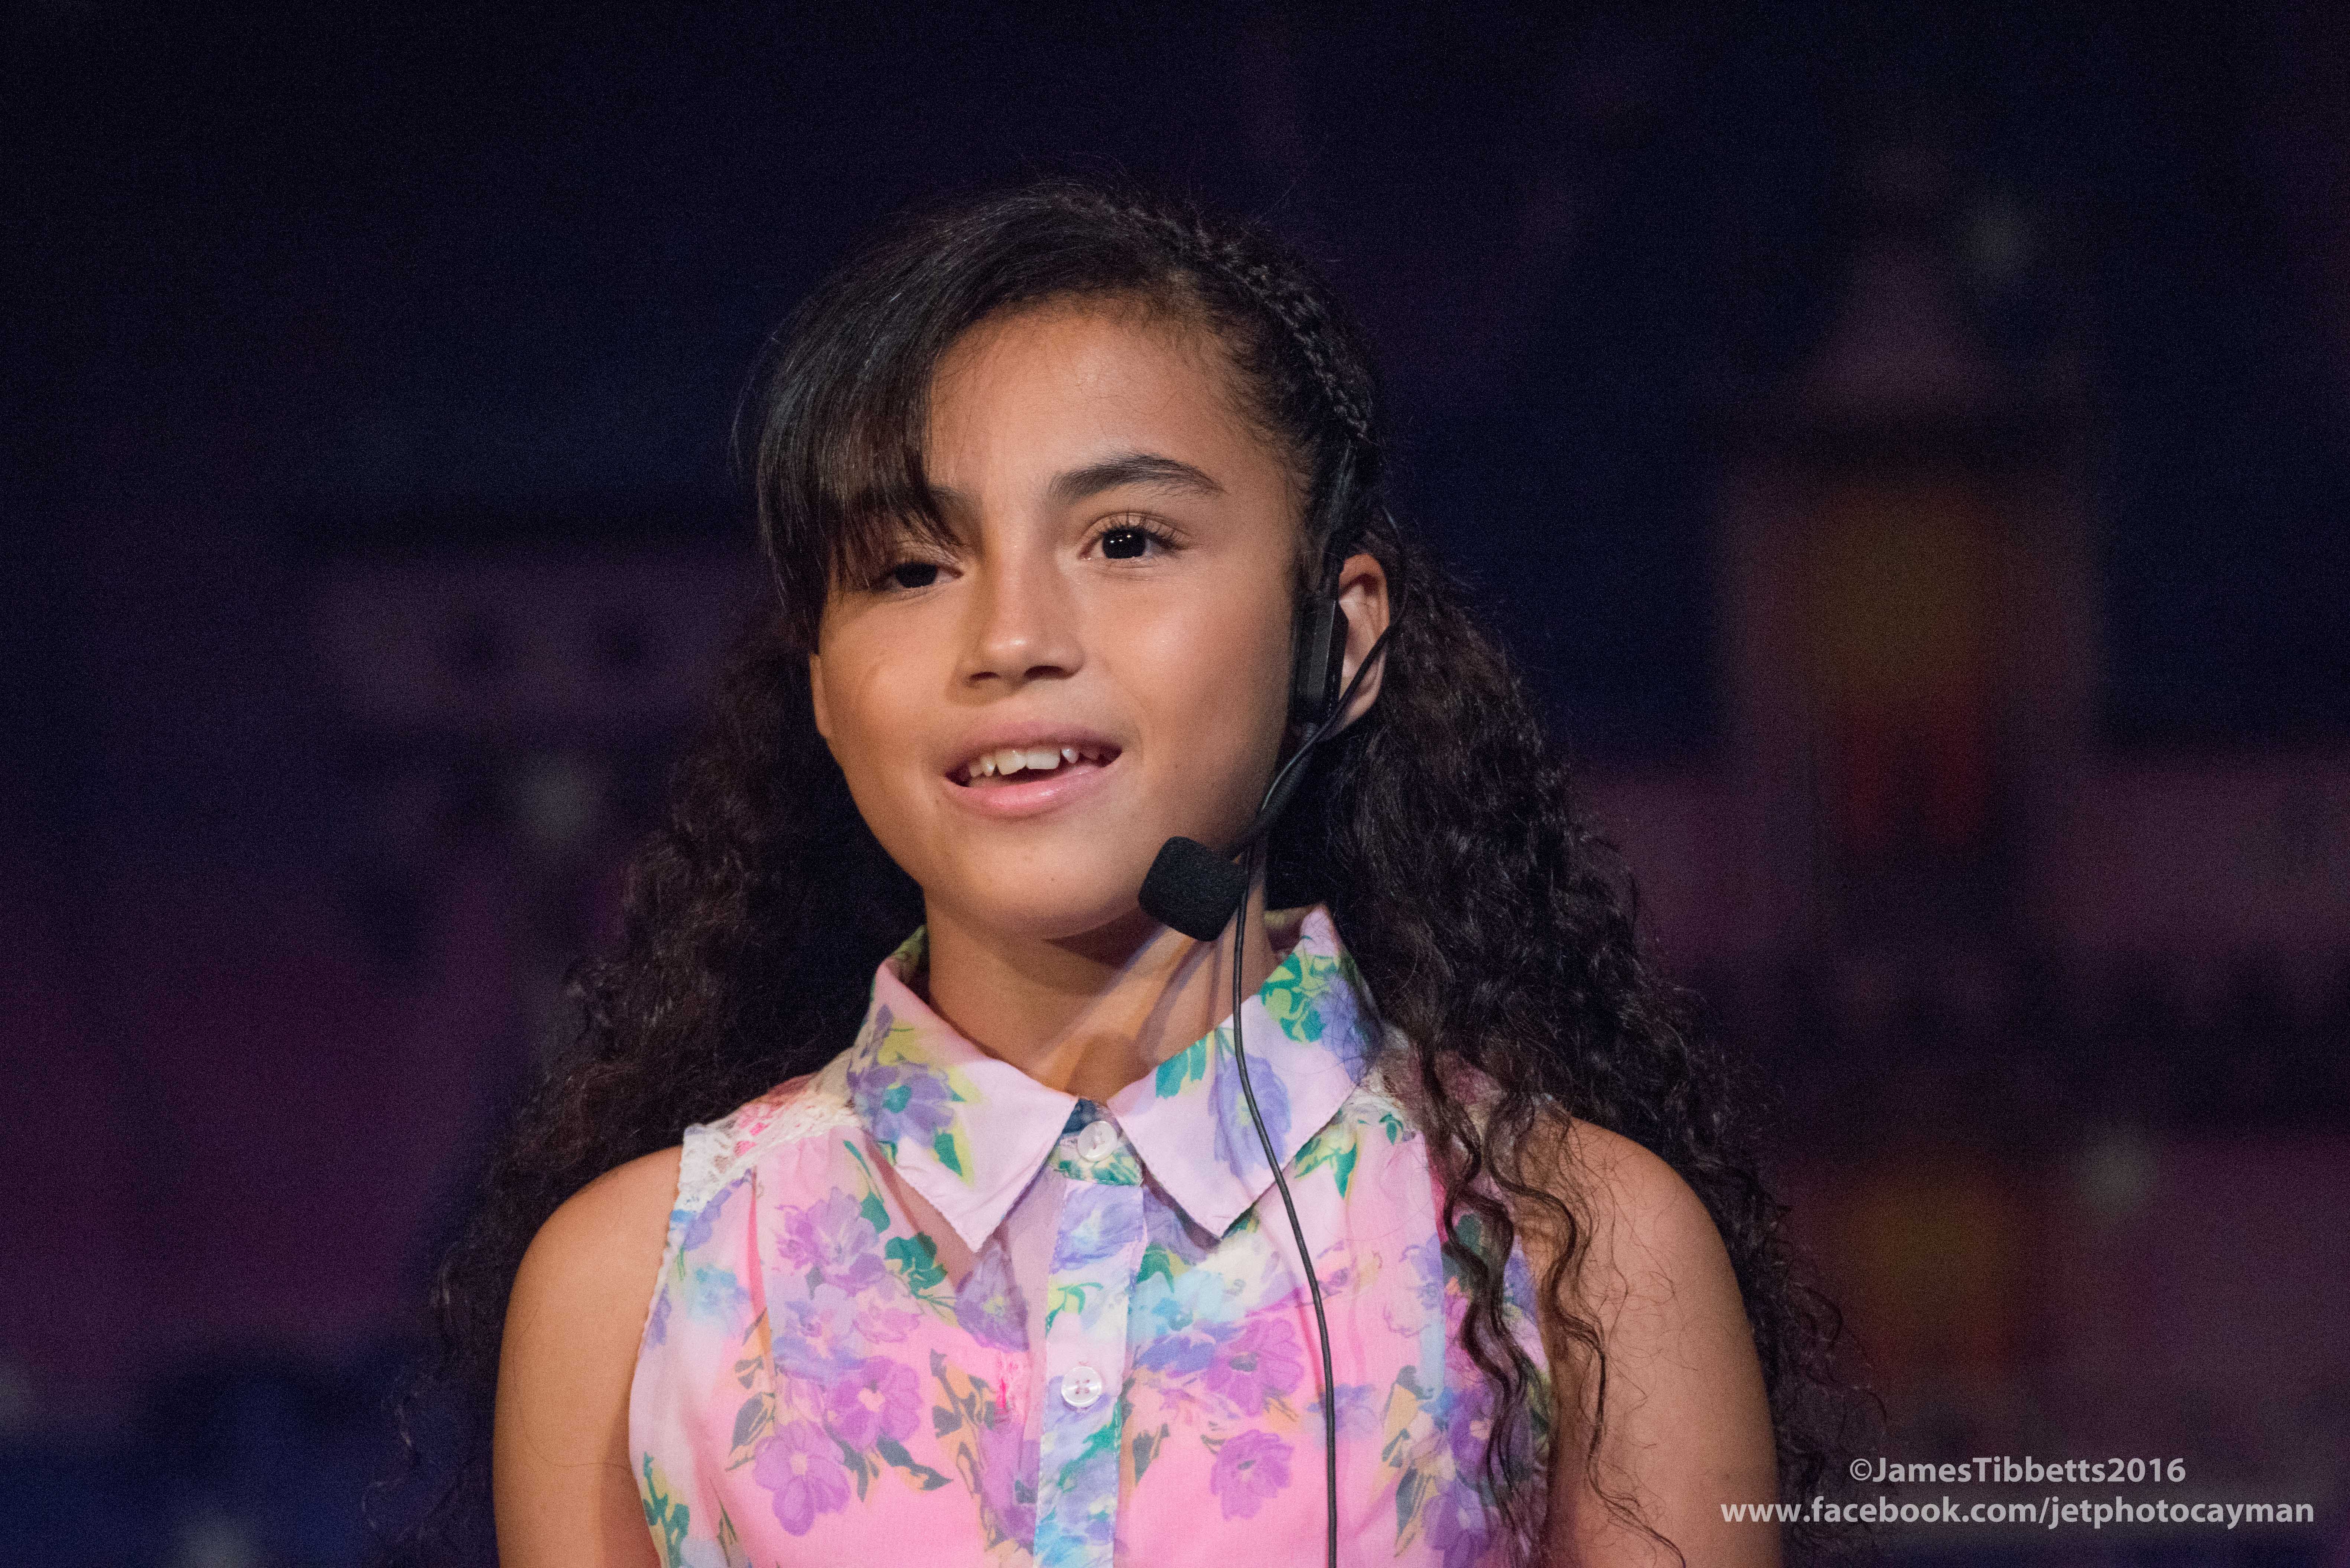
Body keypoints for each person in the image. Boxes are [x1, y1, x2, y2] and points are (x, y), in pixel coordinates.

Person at [408, 177, 1849, 1568]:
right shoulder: (638, 1289)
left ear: (1338, 640)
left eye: (1125, 540)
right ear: (824, 685)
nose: (1011, 639)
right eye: (910, 567)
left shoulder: (1573, 1248)